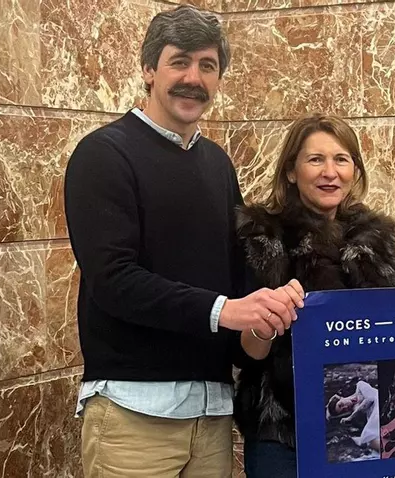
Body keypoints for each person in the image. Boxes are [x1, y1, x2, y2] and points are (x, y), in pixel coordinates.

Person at [63, 6, 302, 477]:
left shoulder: (218, 165)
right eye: (179, 62)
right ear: (148, 70)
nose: (193, 78)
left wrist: (266, 317)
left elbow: (235, 287)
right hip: (134, 415)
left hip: (211, 415)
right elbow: (114, 281)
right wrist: (227, 311)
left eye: (207, 65)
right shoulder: (103, 155)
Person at [232, 113, 395, 477]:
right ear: (291, 171)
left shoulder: (379, 237)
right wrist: (267, 323)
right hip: (282, 433)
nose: (330, 172)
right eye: (315, 159)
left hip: (364, 430)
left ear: (355, 170)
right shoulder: (262, 235)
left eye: (341, 159)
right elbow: (245, 352)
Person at [326, 380, 381, 452]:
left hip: (380, 403)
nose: (345, 407)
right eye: (343, 410)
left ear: (341, 398)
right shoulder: (356, 409)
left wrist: (350, 417)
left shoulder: (360, 386)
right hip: (377, 415)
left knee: (367, 437)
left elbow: (370, 399)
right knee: (369, 440)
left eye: (341, 404)